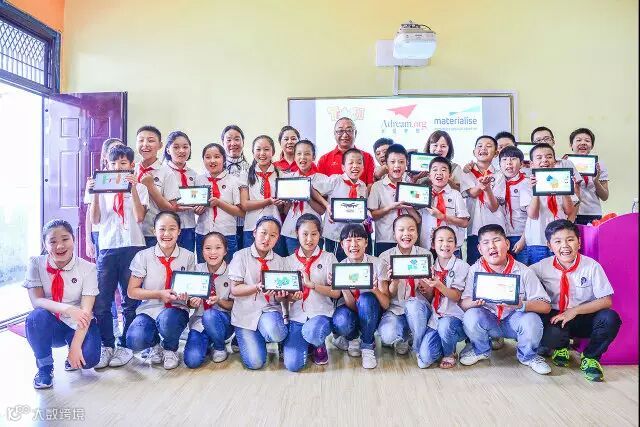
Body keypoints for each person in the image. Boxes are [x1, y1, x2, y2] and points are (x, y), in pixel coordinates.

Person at [531, 219, 621, 381]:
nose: (565, 246)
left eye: (570, 239)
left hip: (583, 315)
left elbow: (606, 301)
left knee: (610, 318)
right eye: (558, 241)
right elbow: (522, 275)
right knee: (547, 330)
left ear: (579, 242)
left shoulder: (592, 266)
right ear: (549, 246)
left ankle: (590, 357)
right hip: (557, 317)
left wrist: (574, 311)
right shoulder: (542, 266)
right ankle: (560, 347)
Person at [459, 224, 552, 375]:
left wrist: (521, 304)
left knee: (532, 319)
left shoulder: (524, 271)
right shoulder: (474, 270)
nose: (492, 246)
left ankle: (528, 357)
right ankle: (480, 350)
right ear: (480, 249)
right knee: (471, 316)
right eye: (486, 243)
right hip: (489, 320)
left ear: (507, 244)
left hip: (514, 321)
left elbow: (545, 306)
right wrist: (474, 302)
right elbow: (463, 304)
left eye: (496, 240)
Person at [87, 146, 148, 369]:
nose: (117, 167)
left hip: (133, 246)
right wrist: (95, 193)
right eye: (113, 164)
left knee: (130, 300)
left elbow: (139, 217)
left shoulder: (140, 187)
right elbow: (95, 220)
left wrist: (133, 189)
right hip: (108, 247)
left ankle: (126, 346)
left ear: (131, 165)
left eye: (123, 163)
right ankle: (107, 344)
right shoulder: (100, 187)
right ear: (107, 165)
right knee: (102, 300)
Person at [24, 219, 101, 389]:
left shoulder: (88, 268)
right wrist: (68, 309)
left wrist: (75, 347)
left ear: (74, 239)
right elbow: (36, 301)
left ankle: (71, 350)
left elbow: (86, 311)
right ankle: (45, 368)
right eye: (52, 241)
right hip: (51, 324)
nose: (59, 246)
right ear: (45, 244)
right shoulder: (35, 263)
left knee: (89, 360)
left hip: (78, 323)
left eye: (65, 239)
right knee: (35, 317)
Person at [126, 211, 196, 370]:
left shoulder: (188, 256)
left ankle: (170, 349)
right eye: (162, 229)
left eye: (172, 229)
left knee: (167, 321)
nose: (167, 234)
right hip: (149, 309)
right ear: (154, 231)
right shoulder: (143, 256)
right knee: (134, 339)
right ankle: (155, 345)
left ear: (179, 231)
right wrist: (159, 294)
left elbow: (191, 290)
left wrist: (188, 297)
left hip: (176, 309)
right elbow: (132, 291)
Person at [227, 216, 289, 370]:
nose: (267, 239)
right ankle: (247, 337)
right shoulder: (240, 256)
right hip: (245, 314)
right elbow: (235, 289)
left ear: (277, 238)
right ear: (254, 232)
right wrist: (256, 287)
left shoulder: (280, 261)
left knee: (276, 333)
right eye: (263, 233)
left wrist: (281, 296)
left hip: (269, 311)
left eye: (273, 235)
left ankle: (272, 338)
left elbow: (282, 298)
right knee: (255, 363)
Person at [404, 226, 468, 368]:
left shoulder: (461, 266)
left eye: (450, 241)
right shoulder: (431, 266)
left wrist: (439, 285)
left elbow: (456, 296)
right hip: (436, 318)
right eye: (440, 240)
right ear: (433, 244)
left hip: (454, 318)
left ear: (456, 245)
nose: (445, 244)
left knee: (445, 326)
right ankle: (441, 344)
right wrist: (427, 289)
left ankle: (449, 353)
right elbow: (431, 298)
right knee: (424, 361)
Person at [330, 224, 390, 369]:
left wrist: (374, 289)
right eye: (348, 241)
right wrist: (344, 288)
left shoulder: (377, 264)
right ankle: (352, 338)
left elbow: (386, 304)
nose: (354, 245)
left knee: (366, 299)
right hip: (351, 310)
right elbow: (352, 305)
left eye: (358, 239)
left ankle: (367, 345)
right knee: (341, 321)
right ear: (342, 244)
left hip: (371, 311)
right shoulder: (340, 267)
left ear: (366, 242)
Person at [289, 214, 341, 365]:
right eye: (304, 234)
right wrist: (291, 297)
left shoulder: (329, 258)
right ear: (297, 233)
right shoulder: (288, 261)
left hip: (321, 313)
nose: (309, 239)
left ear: (320, 234)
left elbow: (336, 293)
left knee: (313, 332)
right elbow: (284, 297)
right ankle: (307, 343)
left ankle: (318, 343)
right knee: (293, 364)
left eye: (314, 234)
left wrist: (313, 285)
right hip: (297, 316)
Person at [378, 215, 431, 356]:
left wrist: (424, 284)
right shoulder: (385, 257)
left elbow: (430, 295)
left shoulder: (425, 255)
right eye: (401, 230)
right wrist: (394, 281)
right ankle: (405, 336)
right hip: (395, 309)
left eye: (411, 229)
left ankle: (418, 347)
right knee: (387, 335)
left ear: (417, 233)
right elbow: (387, 297)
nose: (406, 234)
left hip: (418, 310)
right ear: (394, 234)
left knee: (413, 305)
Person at [183, 232, 235, 368]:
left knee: (210, 315)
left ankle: (219, 346)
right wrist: (191, 303)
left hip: (223, 322)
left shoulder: (232, 272)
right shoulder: (196, 269)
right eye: (208, 248)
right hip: (199, 322)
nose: (213, 252)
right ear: (202, 251)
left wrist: (219, 300)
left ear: (225, 251)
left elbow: (234, 305)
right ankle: (207, 342)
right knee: (192, 361)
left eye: (218, 248)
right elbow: (188, 302)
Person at [524, 143, 579, 264]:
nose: (544, 160)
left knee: (561, 271)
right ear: (532, 164)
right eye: (539, 157)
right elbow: (533, 215)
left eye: (549, 157)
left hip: (560, 240)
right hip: (537, 240)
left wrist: (565, 189)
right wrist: (536, 191)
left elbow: (569, 211)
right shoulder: (526, 184)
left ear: (555, 161)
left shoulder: (562, 180)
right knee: (538, 273)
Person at [314, 148, 368, 261]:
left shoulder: (363, 186)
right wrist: (326, 205)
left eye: (359, 163)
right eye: (351, 163)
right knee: (335, 264)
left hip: (354, 237)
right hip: (335, 234)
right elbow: (312, 188)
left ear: (363, 167)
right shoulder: (335, 180)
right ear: (343, 167)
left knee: (353, 264)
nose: (355, 166)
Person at [368, 144, 421, 256]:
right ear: (386, 165)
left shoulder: (412, 187)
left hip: (407, 239)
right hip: (385, 239)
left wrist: (407, 206)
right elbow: (372, 216)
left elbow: (418, 219)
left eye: (401, 162)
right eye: (392, 162)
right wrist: (391, 207)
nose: (397, 165)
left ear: (407, 164)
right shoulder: (377, 187)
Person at [194, 143, 243, 263]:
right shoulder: (198, 180)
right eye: (208, 157)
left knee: (229, 268)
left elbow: (241, 212)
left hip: (227, 233)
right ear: (203, 160)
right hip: (203, 232)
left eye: (217, 157)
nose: (212, 160)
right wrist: (197, 210)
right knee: (204, 268)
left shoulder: (234, 181)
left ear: (224, 159)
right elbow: (194, 206)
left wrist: (219, 203)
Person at [239, 135, 287, 255]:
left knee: (274, 261)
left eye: (266, 149)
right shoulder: (245, 174)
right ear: (253, 152)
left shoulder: (281, 174)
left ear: (273, 152)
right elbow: (245, 204)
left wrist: (282, 204)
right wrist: (269, 201)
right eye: (258, 149)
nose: (262, 153)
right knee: (251, 262)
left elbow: (283, 208)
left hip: (274, 227)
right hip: (251, 227)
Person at [461, 135, 506, 265]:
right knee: (474, 265)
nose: (483, 149)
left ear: (496, 153)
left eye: (488, 146)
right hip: (474, 230)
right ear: (474, 151)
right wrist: (482, 185)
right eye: (480, 146)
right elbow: (472, 193)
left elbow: (493, 206)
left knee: (497, 264)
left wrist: (487, 189)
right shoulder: (467, 172)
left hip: (495, 227)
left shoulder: (499, 175)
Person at [134, 125, 180, 247]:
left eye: (151, 140)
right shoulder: (130, 170)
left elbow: (172, 209)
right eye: (141, 140)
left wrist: (151, 187)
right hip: (131, 235)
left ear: (160, 145)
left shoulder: (166, 172)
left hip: (154, 235)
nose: (145, 144)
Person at [280, 140, 327, 254]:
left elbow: (322, 210)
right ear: (294, 156)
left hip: (314, 231)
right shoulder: (287, 178)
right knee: (293, 262)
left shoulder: (322, 179)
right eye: (299, 154)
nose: (303, 157)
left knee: (314, 261)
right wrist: (289, 200)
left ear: (314, 156)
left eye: (307, 154)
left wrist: (307, 196)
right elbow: (285, 211)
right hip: (291, 231)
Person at [418, 156, 469, 258]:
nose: (439, 173)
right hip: (427, 247)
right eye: (435, 170)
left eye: (443, 170)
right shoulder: (423, 194)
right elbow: (417, 219)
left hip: (451, 248)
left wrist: (442, 216)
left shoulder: (455, 195)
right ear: (429, 175)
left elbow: (464, 223)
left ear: (449, 175)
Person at [494, 146, 530, 264]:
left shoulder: (527, 183)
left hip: (521, 235)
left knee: (523, 269)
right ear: (499, 164)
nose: (508, 163)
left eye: (513, 159)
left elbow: (532, 216)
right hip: (501, 235)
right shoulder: (496, 183)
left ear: (521, 164)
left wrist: (523, 240)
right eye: (504, 160)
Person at [164, 131, 198, 252]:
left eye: (185, 147)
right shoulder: (162, 172)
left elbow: (198, 198)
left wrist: (200, 207)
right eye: (176, 147)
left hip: (189, 226)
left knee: (187, 259)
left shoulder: (194, 174)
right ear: (168, 150)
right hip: (167, 226)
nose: (181, 151)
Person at [568, 128, 609, 225]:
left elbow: (605, 196)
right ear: (571, 145)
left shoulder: (599, 165)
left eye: (587, 141)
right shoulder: (565, 164)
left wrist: (596, 181)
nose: (583, 143)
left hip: (593, 213)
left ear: (592, 145)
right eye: (578, 140)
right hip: (570, 212)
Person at [317, 117, 375, 185]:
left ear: (355, 133)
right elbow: (319, 186)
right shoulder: (324, 160)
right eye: (340, 131)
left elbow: (370, 185)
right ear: (334, 134)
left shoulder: (367, 157)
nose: (345, 135)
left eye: (349, 130)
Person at [222, 125, 251, 250]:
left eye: (237, 139)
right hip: (223, 225)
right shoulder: (216, 169)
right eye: (228, 140)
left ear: (243, 142)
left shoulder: (252, 169)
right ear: (223, 143)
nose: (233, 143)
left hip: (247, 224)